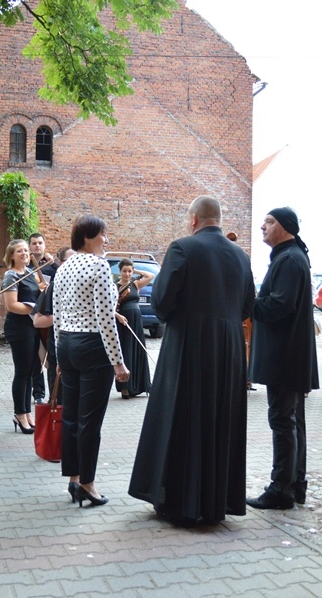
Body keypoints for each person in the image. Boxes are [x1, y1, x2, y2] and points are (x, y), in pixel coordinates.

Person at [129, 196, 254, 526]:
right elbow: (247, 306)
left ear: (194, 220)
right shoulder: (241, 256)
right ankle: (215, 502)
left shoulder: (183, 247)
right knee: (219, 419)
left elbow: (161, 301)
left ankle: (181, 502)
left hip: (189, 343)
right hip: (228, 349)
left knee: (182, 416)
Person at [53, 216, 129, 508]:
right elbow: (106, 318)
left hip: (69, 345)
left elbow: (57, 314)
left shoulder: (65, 267)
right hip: (92, 346)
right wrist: (118, 362)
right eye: (102, 235)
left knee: (71, 416)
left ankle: (74, 478)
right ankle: (88, 483)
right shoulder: (98, 266)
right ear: (87, 237)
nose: (106, 240)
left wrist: (59, 353)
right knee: (90, 421)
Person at [247, 207, 319, 511]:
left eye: (270, 222)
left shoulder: (289, 259)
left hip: (285, 356)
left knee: (282, 420)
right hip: (290, 355)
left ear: (286, 228)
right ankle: (294, 484)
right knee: (291, 420)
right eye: (264, 221)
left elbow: (279, 306)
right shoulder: (290, 256)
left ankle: (281, 489)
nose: (263, 226)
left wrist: (248, 301)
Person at [1, 239, 43, 433]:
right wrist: (33, 309)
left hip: (32, 326)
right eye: (20, 251)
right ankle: (19, 413)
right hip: (19, 327)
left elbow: (35, 296)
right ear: (12, 256)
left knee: (29, 372)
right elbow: (11, 305)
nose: (25, 254)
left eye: (26, 251)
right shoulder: (11, 276)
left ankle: (27, 413)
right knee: (22, 371)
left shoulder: (30, 273)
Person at [33, 248, 76, 403]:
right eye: (69, 261)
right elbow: (37, 321)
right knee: (59, 402)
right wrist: (66, 315)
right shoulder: (54, 287)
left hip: (81, 353)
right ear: (60, 263)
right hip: (59, 351)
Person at [114, 258, 154, 398]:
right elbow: (108, 307)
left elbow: (151, 276)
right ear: (120, 271)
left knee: (138, 350)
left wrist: (136, 270)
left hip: (136, 320)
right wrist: (118, 316)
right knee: (126, 351)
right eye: (125, 271)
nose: (127, 274)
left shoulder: (136, 283)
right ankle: (125, 387)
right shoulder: (115, 286)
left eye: (129, 271)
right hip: (123, 321)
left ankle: (141, 385)